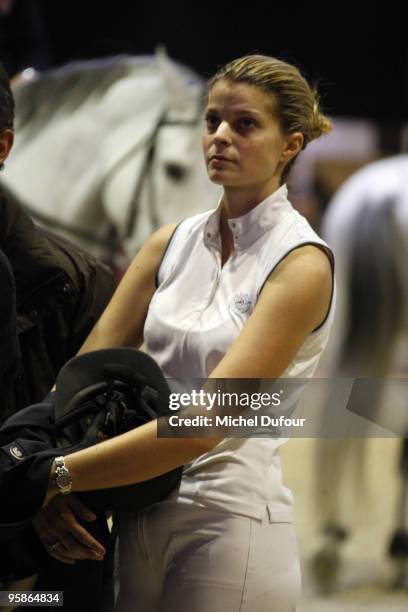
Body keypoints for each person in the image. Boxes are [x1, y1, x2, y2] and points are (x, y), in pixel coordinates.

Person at [36, 54, 335, 611]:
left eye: (244, 124)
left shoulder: (301, 263)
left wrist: (53, 475)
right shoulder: (166, 243)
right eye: (211, 121)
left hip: (229, 520)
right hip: (134, 515)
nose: (220, 136)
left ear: (290, 146)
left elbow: (206, 425)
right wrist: (41, 467)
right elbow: (78, 381)